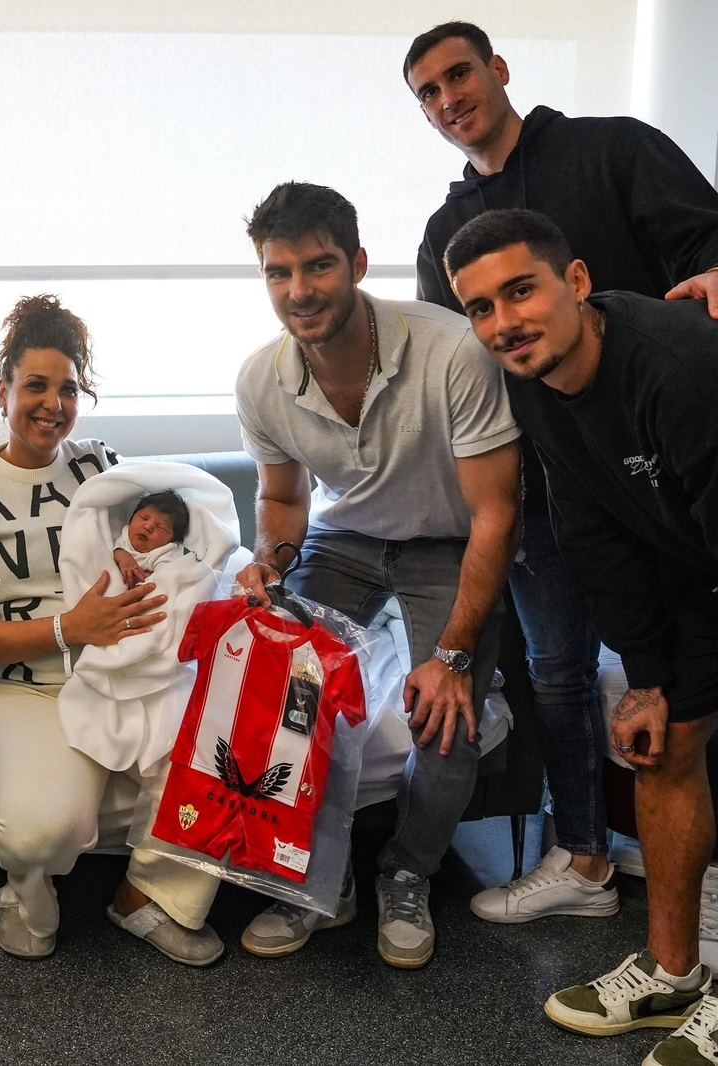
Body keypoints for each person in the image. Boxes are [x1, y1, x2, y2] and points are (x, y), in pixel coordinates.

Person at [403, 20, 718, 961]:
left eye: (459, 74)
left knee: (697, 685)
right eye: (428, 92)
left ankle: (712, 884)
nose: (449, 99)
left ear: (498, 70)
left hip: (665, 477)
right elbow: (460, 373)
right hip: (547, 486)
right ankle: (585, 860)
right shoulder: (446, 233)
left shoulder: (613, 149)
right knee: (559, 679)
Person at [445, 208, 718, 1066]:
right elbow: (595, 525)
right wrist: (652, 677)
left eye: (521, 291)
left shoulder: (692, 382)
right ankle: (674, 972)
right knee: (660, 747)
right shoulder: (533, 375)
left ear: (577, 281)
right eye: (480, 308)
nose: (503, 322)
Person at [232, 182, 521, 969]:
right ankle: (314, 877)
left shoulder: (453, 350)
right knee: (283, 691)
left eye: (319, 266)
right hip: (345, 535)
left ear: (357, 263)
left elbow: (497, 512)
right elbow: (285, 499)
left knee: (445, 717)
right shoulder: (261, 380)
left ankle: (407, 873)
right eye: (278, 272)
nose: (299, 290)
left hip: (447, 541)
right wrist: (270, 561)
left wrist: (454, 656)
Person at [0, 294, 227, 965]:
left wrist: (225, 571)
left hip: (130, 667)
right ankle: (24, 893)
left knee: (215, 755)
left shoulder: (100, 464)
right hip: (28, 686)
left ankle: (144, 898)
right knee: (42, 832)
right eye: (35, 386)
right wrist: (70, 628)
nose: (53, 404)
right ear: (3, 390)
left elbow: (164, 538)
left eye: (68, 389)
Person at [112, 489, 191, 587]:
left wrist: (144, 578)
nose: (148, 527)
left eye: (160, 527)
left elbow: (164, 579)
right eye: (144, 518)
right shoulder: (126, 533)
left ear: (172, 539)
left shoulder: (166, 552)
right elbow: (117, 546)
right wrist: (124, 557)